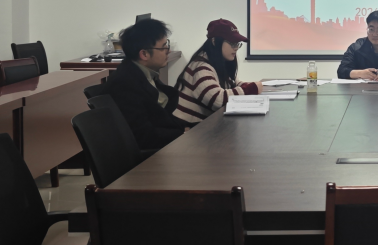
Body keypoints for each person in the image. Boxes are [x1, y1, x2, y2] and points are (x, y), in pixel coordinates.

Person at [104, 17, 187, 150]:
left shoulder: (144, 74)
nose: (169, 51)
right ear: (144, 54)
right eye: (164, 47)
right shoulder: (124, 84)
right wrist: (182, 134)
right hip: (151, 156)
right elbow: (143, 136)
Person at [174, 19, 262, 125]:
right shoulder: (201, 67)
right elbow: (217, 100)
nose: (236, 48)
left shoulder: (217, 62)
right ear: (214, 41)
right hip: (187, 128)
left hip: (203, 125)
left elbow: (233, 83)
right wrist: (250, 89)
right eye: (232, 43)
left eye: (237, 43)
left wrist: (251, 86)